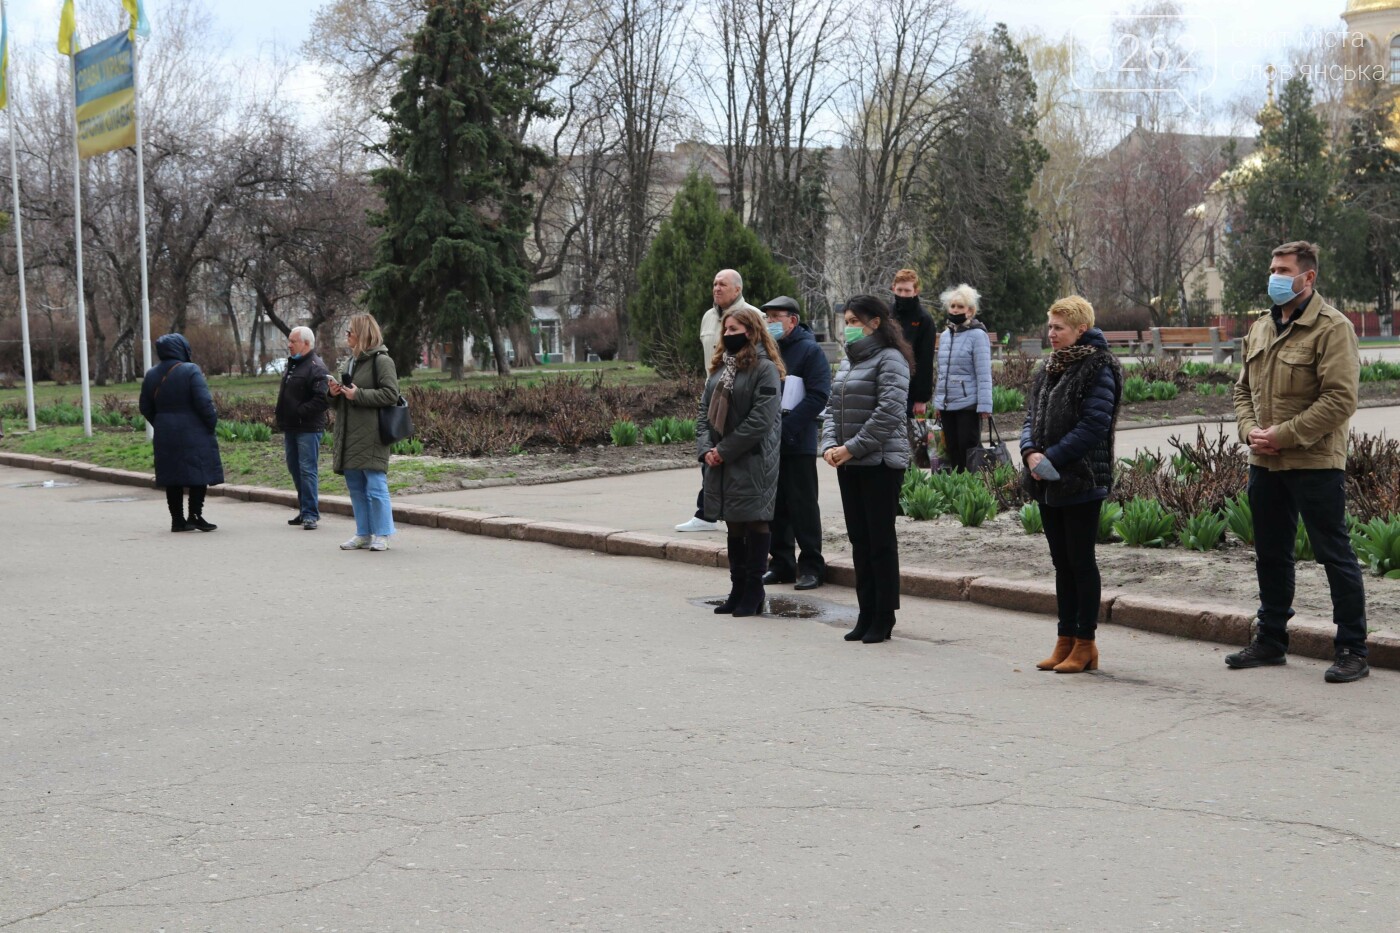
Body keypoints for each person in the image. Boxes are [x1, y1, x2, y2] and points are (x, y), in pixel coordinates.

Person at [1227, 240, 1369, 683]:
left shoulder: (1333, 328)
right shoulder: (1261, 327)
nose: (1275, 276)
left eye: (1284, 269)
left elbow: (1340, 399)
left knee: (1333, 552)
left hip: (1315, 461)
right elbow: (1242, 391)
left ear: (1308, 277)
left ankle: (1352, 648)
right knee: (1270, 552)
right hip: (1265, 461)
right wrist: (1249, 430)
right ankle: (1271, 640)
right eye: (1272, 267)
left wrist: (1283, 436)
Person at [1019, 296, 1123, 674]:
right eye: (1049, 327)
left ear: (1080, 329)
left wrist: (1053, 458)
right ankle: (1064, 640)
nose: (1051, 334)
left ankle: (1085, 642)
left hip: (1081, 478)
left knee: (1080, 561)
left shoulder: (1099, 366)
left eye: (1058, 327)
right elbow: (1031, 415)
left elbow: (1094, 425)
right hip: (1047, 479)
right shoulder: (1050, 367)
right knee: (1061, 563)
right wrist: (1030, 451)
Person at [820, 295, 912, 643]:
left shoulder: (891, 359)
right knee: (859, 540)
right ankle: (865, 611)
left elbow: (889, 412)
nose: (849, 328)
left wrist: (851, 448)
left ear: (876, 322)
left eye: (855, 321)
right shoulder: (848, 362)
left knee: (880, 542)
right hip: (849, 463)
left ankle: (883, 616)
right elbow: (832, 408)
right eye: (847, 322)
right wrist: (830, 446)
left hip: (880, 464)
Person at [697, 305, 785, 617]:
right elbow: (703, 415)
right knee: (733, 523)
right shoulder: (720, 369)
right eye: (726, 330)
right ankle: (737, 588)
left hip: (753, 459)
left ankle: (754, 590)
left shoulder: (765, 369)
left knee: (755, 520)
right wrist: (706, 448)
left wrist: (724, 450)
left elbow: (761, 421)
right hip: (721, 460)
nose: (728, 335)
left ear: (751, 331)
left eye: (734, 330)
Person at [677, 268, 763, 533]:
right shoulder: (707, 318)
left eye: (722, 284)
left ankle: (735, 513)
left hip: (740, 395)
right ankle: (707, 513)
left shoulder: (753, 315)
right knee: (709, 454)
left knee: (733, 455)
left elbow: (762, 357)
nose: (716, 288)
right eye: (714, 283)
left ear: (737, 289)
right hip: (713, 392)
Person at [760, 296, 831, 590]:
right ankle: (781, 563)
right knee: (775, 506)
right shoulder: (765, 350)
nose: (770, 323)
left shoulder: (809, 351)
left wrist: (785, 428)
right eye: (767, 318)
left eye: (775, 317)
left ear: (792, 320)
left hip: (796, 440)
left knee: (803, 505)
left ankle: (812, 566)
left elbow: (817, 396)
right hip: (769, 442)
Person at [138, 333, 224, 533]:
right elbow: (204, 402)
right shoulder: (190, 370)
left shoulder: (151, 374)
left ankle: (177, 520)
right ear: (182, 348)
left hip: (165, 432)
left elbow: (145, 406)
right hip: (194, 430)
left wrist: (160, 422)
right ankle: (195, 515)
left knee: (172, 476)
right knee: (198, 472)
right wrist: (210, 423)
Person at [329, 313, 400, 552]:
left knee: (376, 484)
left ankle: (382, 533)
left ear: (362, 334)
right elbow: (345, 399)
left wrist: (358, 395)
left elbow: (391, 394)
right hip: (349, 433)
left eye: (350, 332)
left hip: (372, 433)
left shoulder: (382, 360)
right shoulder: (351, 361)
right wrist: (335, 393)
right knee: (356, 486)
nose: (346, 336)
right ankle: (363, 533)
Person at [932, 283, 993, 471]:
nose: (955, 310)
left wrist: (985, 405)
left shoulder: (977, 335)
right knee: (952, 451)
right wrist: (938, 404)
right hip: (948, 405)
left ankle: (973, 492)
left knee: (969, 452)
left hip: (968, 405)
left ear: (970, 311)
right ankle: (957, 492)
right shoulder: (946, 335)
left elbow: (983, 373)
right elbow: (942, 372)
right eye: (952, 306)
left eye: (960, 306)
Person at [275, 326, 330, 530]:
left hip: (307, 428)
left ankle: (310, 514)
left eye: (293, 341)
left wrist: (299, 411)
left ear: (306, 343)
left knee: (307, 470)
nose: (289, 345)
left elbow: (323, 400)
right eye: (289, 341)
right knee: (295, 468)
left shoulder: (316, 367)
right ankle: (304, 509)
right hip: (291, 426)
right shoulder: (294, 364)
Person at [891, 268, 935, 416]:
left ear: (915, 291)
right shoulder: (886, 314)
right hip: (887, 383)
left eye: (907, 291)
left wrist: (921, 398)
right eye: (899, 290)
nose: (903, 295)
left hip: (909, 388)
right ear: (893, 288)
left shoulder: (924, 319)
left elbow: (925, 360)